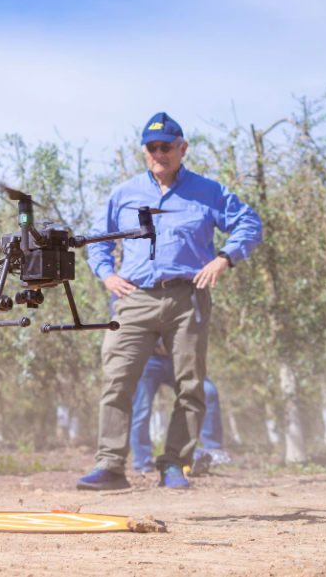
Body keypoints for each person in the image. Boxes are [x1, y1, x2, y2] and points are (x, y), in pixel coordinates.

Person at [77, 112, 262, 491]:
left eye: (167, 146)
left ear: (183, 148)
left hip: (187, 297)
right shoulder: (124, 193)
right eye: (152, 147)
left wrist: (224, 258)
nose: (159, 153)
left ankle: (175, 464)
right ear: (145, 151)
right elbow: (98, 239)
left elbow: (249, 222)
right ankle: (111, 467)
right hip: (133, 299)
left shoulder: (209, 191)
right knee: (117, 380)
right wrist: (106, 274)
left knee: (191, 386)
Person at [130, 338, 228, 474]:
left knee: (208, 391)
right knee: (141, 408)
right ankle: (143, 463)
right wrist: (158, 342)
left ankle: (213, 454)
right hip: (147, 357)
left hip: (178, 356)